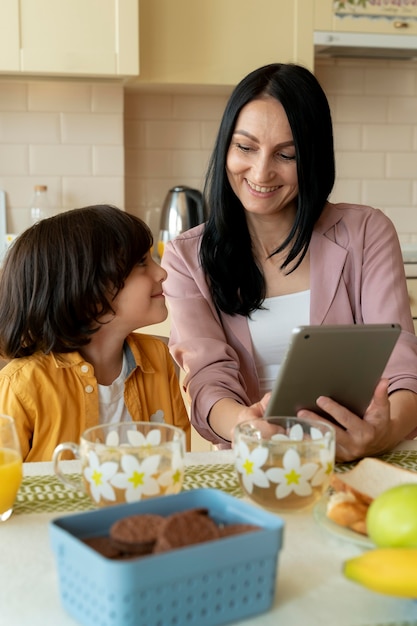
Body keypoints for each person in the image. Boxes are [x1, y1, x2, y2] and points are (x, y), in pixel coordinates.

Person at [161, 62, 417, 463]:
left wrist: (380, 435)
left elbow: (403, 368)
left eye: (287, 154)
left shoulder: (365, 231)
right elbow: (207, 379)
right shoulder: (186, 256)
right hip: (254, 462)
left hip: (359, 457)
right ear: (226, 146)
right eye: (245, 147)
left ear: (313, 158)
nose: (261, 172)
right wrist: (244, 425)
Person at [0, 205, 190, 461]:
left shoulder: (158, 357)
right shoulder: (23, 383)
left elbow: (178, 461)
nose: (161, 272)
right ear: (85, 289)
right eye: (142, 262)